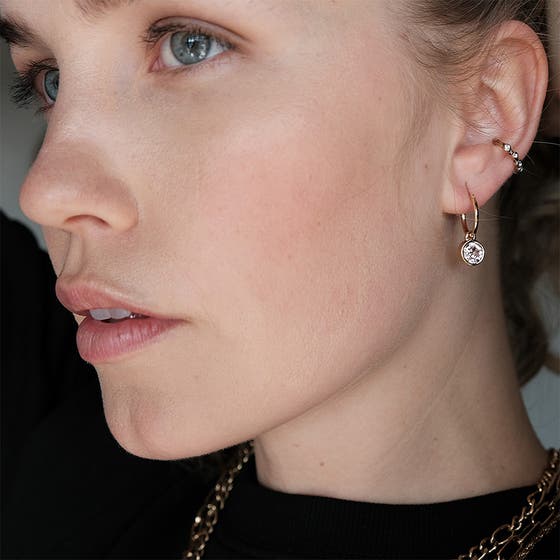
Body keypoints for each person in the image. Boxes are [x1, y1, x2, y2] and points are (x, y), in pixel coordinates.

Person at [0, 0, 558, 558]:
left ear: (484, 115)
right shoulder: (59, 473)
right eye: (51, 81)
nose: (46, 193)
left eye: (190, 45)